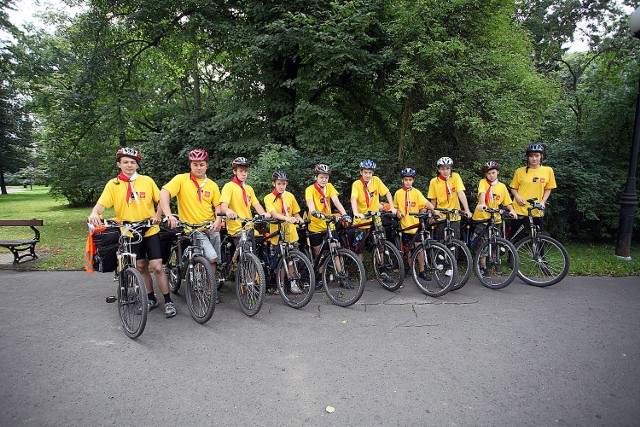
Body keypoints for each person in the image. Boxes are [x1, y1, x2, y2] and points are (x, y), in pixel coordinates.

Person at [88, 147, 176, 318]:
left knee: (157, 267)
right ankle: (151, 298)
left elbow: (161, 200)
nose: (129, 165)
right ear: (119, 164)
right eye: (126, 162)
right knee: (142, 266)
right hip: (129, 232)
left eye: (133, 162)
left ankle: (168, 301)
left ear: (137, 165)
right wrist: (94, 214)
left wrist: (161, 215)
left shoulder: (147, 181)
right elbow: (100, 205)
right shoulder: (113, 185)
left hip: (149, 229)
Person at [159, 149, 223, 295]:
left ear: (206, 165)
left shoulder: (212, 185)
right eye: (195, 164)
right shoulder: (181, 180)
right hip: (192, 228)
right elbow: (164, 192)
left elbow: (218, 205)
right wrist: (169, 215)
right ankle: (209, 291)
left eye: (201, 164)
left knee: (215, 260)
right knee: (211, 257)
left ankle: (209, 285)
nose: (198, 167)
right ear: (191, 165)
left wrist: (218, 220)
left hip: (210, 226)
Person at [393, 167, 439, 280]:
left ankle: (422, 271)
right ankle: (411, 268)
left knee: (420, 248)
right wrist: (398, 212)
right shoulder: (398, 193)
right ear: (402, 180)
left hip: (415, 227)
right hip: (405, 226)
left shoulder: (416, 192)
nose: (408, 182)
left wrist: (434, 211)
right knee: (407, 249)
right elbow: (395, 207)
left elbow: (426, 203)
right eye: (406, 180)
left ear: (413, 180)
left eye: (410, 180)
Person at [263, 170, 305, 294]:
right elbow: (273, 214)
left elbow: (296, 212)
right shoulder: (268, 198)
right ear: (274, 184)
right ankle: (279, 285)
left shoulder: (290, 196)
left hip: (291, 234)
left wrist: (300, 219)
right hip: (277, 234)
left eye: (284, 184)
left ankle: (293, 284)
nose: (282, 186)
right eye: (279, 184)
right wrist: (286, 218)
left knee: (292, 260)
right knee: (280, 261)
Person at [472, 161, 517, 274]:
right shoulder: (483, 182)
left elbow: (507, 201)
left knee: (497, 241)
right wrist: (482, 204)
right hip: (483, 217)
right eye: (488, 173)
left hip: (496, 218)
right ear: (485, 175)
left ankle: (495, 262)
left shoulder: (501, 186)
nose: (491, 175)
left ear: (498, 172)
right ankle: (482, 265)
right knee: (483, 242)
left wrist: (512, 210)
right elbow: (482, 193)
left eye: (493, 173)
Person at [350, 159, 396, 260]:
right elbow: (353, 198)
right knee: (360, 248)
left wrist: (392, 207)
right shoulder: (357, 184)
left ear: (373, 173)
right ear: (361, 172)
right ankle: (360, 270)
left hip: (375, 218)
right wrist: (356, 212)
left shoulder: (376, 180)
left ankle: (381, 268)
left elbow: (387, 193)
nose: (367, 175)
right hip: (361, 220)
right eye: (365, 172)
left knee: (381, 244)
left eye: (370, 172)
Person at [509, 144, 557, 238]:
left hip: (536, 209)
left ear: (541, 157)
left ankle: (538, 253)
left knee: (539, 238)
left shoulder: (548, 171)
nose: (534, 159)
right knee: (514, 237)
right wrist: (517, 197)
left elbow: (548, 188)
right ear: (528, 158)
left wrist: (543, 201)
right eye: (531, 156)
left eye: (537, 156)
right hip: (520, 208)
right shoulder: (520, 171)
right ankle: (511, 252)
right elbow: (513, 188)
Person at [219, 157, 269, 245]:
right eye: (241, 171)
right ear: (235, 171)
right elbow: (223, 206)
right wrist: (228, 211)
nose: (244, 174)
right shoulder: (229, 186)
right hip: (236, 228)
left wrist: (263, 214)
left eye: (245, 171)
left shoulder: (249, 188)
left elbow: (256, 204)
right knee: (243, 253)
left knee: (261, 244)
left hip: (249, 227)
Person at [305, 164, 349, 258]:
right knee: (318, 252)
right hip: (315, 225)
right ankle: (320, 272)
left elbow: (336, 201)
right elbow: (310, 203)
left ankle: (340, 272)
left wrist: (344, 214)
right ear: (315, 177)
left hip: (328, 223)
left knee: (336, 249)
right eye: (321, 177)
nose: (324, 180)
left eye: (326, 177)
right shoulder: (310, 189)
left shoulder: (329, 186)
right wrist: (313, 212)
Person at [427, 156, 472, 240]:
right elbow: (433, 200)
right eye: (443, 169)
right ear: (439, 170)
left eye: (448, 168)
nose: (445, 171)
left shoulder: (455, 177)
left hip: (454, 214)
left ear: (451, 168)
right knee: (441, 240)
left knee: (455, 241)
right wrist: (433, 213)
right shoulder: (434, 181)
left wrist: (467, 210)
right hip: (441, 214)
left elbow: (461, 193)